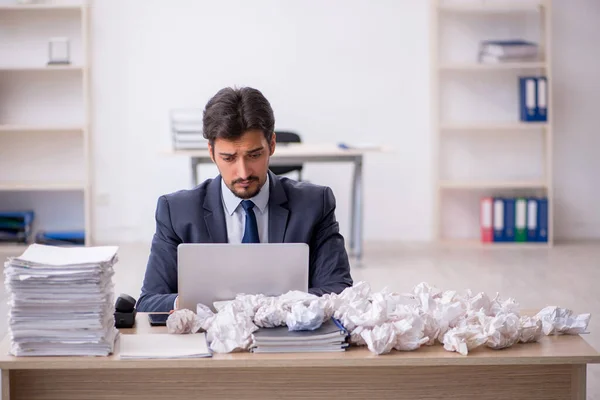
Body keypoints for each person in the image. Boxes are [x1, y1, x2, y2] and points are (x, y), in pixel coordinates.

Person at [137, 86, 353, 312]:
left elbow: (339, 291)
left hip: (288, 341)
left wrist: (266, 307)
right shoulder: (177, 211)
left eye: (254, 155)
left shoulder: (315, 204)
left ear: (271, 145)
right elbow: (149, 301)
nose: (243, 173)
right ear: (211, 152)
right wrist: (189, 303)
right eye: (228, 158)